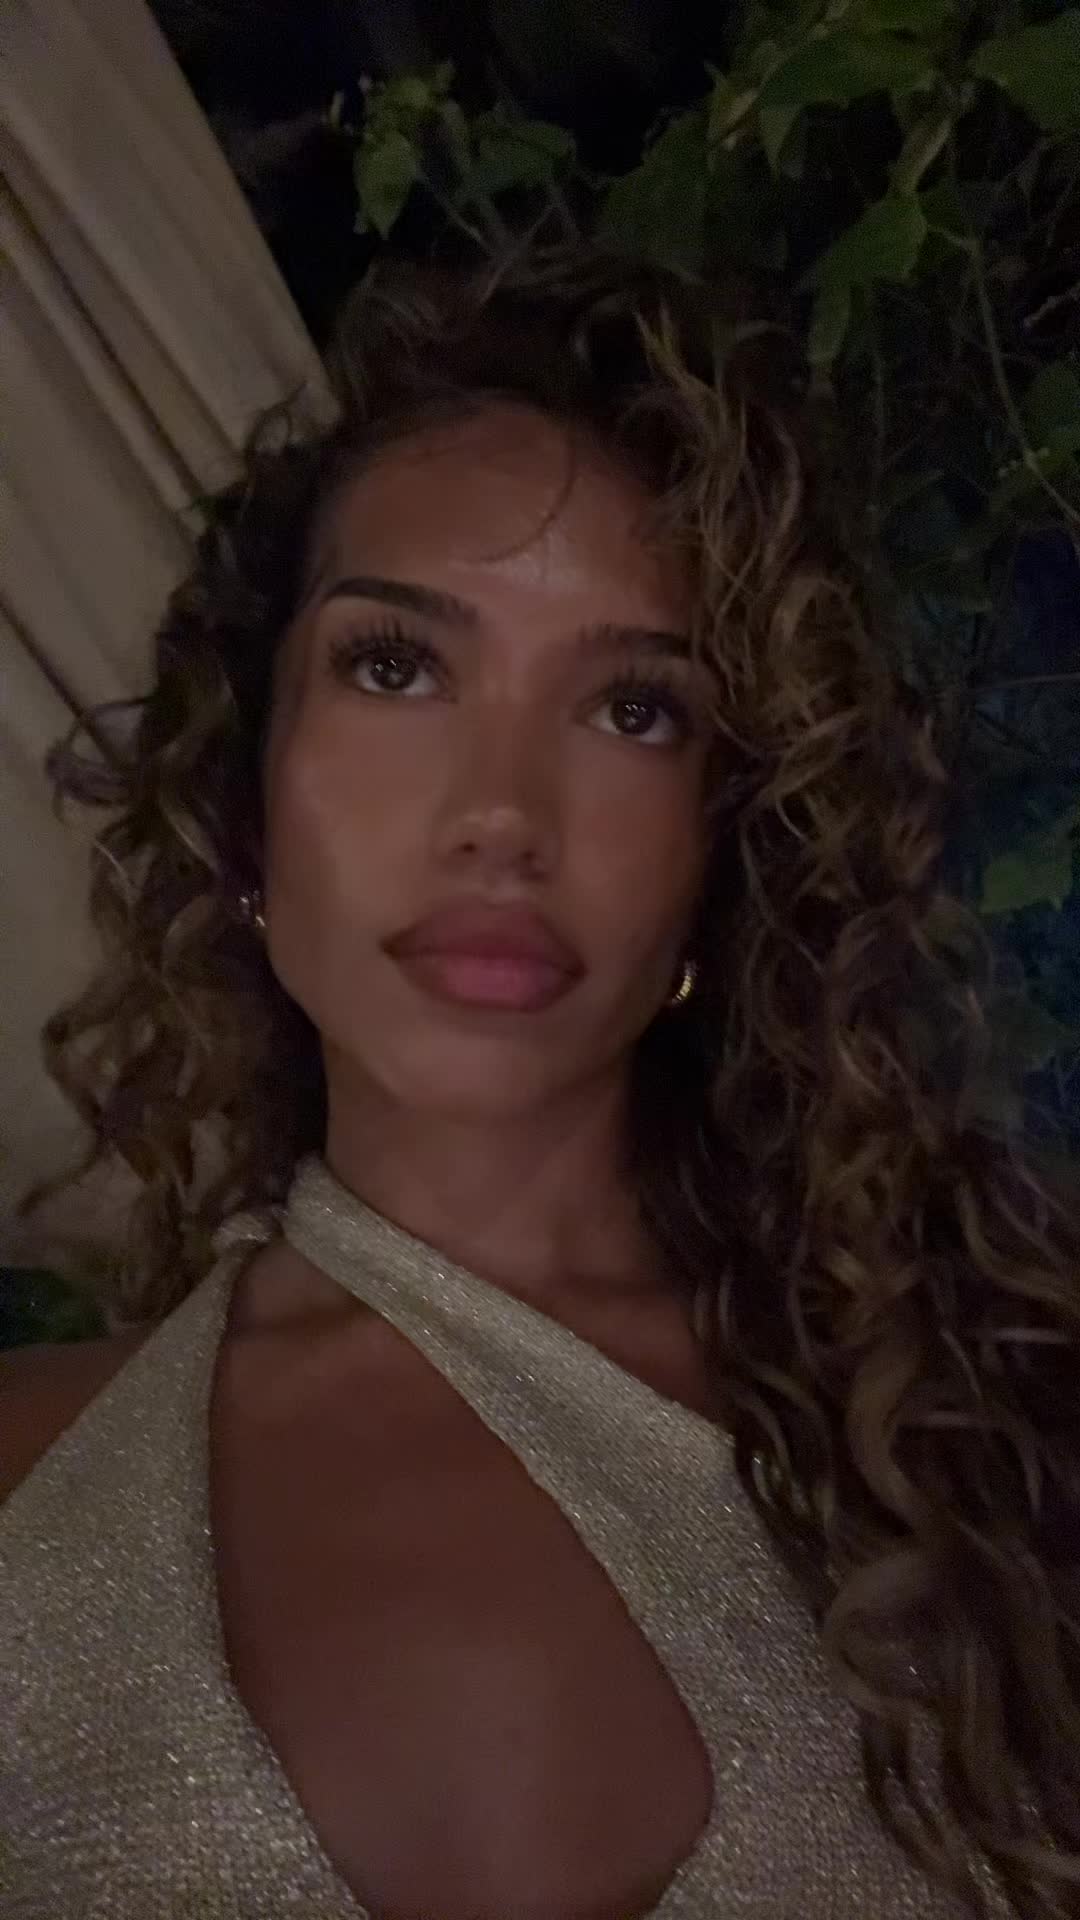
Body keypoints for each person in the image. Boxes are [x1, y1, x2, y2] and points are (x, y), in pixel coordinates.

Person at [1, 249, 1077, 1920]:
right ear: (245, 804)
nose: (502, 813)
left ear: (725, 851)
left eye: (635, 708)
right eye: (395, 667)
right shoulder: (24, 1485)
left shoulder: (1000, 1422)